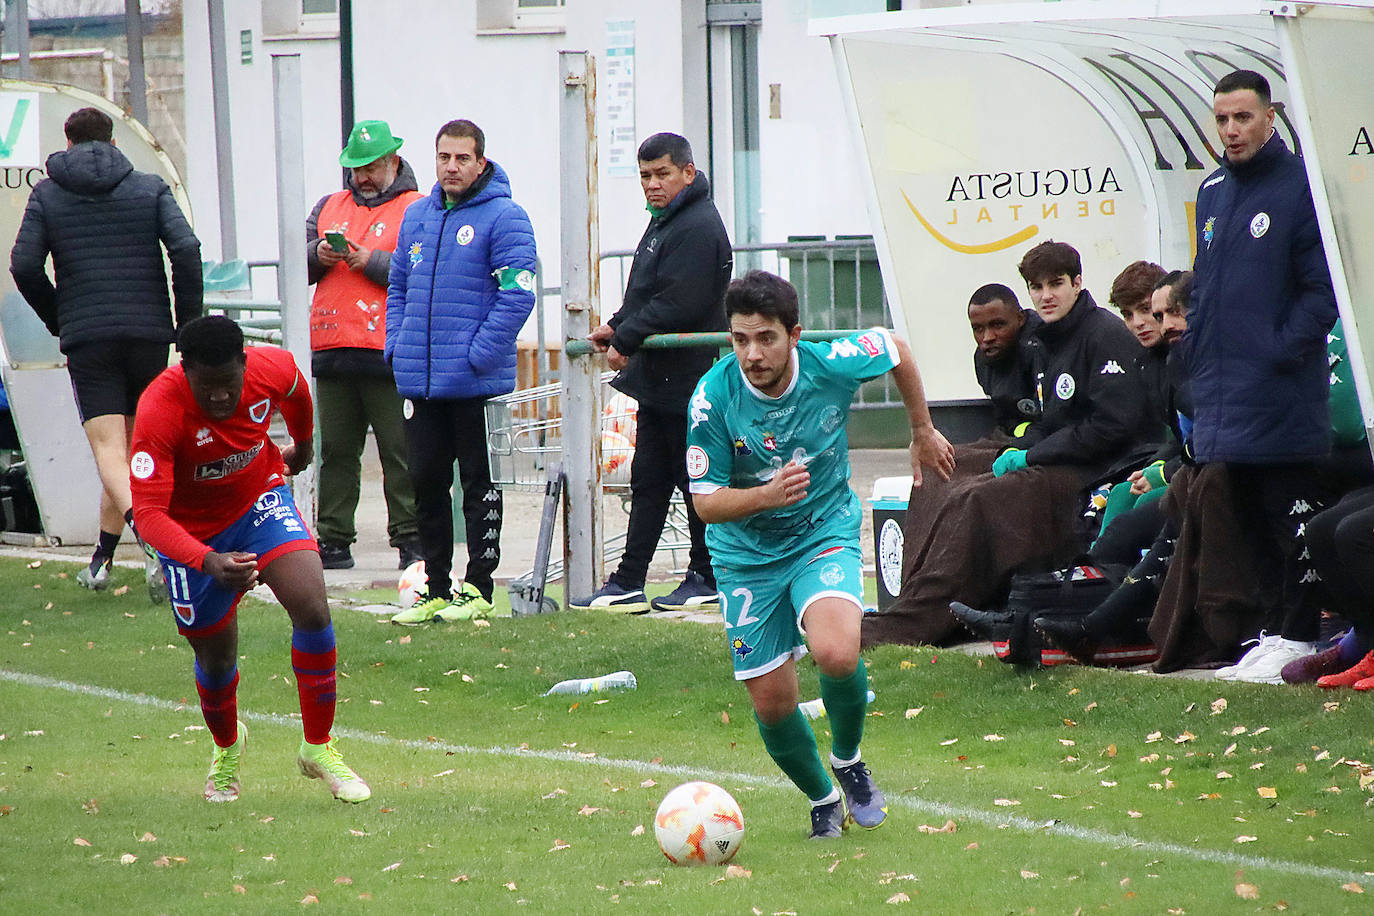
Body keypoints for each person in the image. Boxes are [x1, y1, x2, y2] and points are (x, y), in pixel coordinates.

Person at [685, 270, 954, 837]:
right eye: (739, 340)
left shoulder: (831, 361)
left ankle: (849, 760)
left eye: (766, 338)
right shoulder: (712, 399)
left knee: (836, 652)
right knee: (773, 705)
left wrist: (922, 429)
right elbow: (706, 503)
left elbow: (896, 348)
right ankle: (822, 797)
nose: (752, 354)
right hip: (745, 556)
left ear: (796, 334)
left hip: (821, 531)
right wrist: (764, 495)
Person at [864, 240, 1158, 647]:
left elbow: (1112, 429)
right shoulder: (1046, 339)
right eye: (1037, 287)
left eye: (1056, 284)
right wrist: (1015, 451)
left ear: (1077, 283)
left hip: (1105, 468)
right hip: (1061, 456)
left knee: (981, 498)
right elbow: (1048, 418)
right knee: (944, 471)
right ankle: (913, 602)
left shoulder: (1103, 333)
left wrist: (1031, 455)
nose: (1046, 295)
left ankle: (918, 623)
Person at [129, 316, 370, 804]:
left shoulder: (270, 367)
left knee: (312, 605)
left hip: (258, 501)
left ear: (245, 364)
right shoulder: (159, 408)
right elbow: (149, 516)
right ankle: (226, 748)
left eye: (229, 384)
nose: (220, 397)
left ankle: (318, 748)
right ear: (185, 370)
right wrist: (209, 561)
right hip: (192, 535)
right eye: (207, 386)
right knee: (216, 662)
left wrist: (302, 445)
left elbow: (300, 390)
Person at [1184, 69, 1338, 683]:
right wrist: (1197, 352)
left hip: (1280, 387)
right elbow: (1202, 289)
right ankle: (1274, 631)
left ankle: (1301, 633)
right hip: (1225, 390)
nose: (1230, 130)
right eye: (1221, 119)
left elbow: (1321, 290)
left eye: (1242, 117)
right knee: (1246, 515)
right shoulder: (1214, 190)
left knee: (1289, 514)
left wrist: (1281, 349)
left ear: (1270, 117)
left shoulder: (1301, 186)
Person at [10, 105, 201, 598]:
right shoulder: (150, 186)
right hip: (148, 334)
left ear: (68, 144)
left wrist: (59, 316)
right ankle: (102, 560)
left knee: (109, 451)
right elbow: (185, 249)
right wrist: (189, 325)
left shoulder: (48, 194)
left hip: (90, 337)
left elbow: (24, 266)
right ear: (114, 142)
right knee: (134, 453)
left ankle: (155, 545)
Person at [386, 119, 536, 625]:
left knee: (479, 485)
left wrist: (478, 354)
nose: (452, 167)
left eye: (462, 159)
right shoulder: (418, 217)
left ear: (481, 162)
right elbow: (398, 288)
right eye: (444, 158)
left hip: (475, 382)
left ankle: (479, 587)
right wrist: (396, 345)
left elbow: (518, 293)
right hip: (421, 382)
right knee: (426, 483)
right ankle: (434, 589)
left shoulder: (506, 217)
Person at [574, 132, 732, 614]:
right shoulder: (666, 222)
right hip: (662, 381)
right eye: (645, 176)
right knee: (649, 481)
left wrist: (625, 338)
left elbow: (681, 300)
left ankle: (706, 576)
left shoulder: (699, 225)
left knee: (695, 483)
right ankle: (628, 580)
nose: (653, 184)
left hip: (692, 381)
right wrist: (617, 326)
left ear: (688, 172)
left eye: (662, 174)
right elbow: (648, 296)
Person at [307, 119, 422, 571]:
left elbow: (421, 268)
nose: (362, 178)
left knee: (400, 451)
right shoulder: (328, 206)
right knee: (336, 451)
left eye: (370, 167)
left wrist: (370, 262)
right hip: (334, 349)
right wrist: (317, 254)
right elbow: (297, 258)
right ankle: (333, 540)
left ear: (393, 162)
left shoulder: (417, 208)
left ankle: (411, 539)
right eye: (355, 169)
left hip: (390, 352)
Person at [967, 283, 1040, 438]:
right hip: (1017, 436)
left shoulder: (1044, 348)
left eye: (998, 325)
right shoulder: (982, 359)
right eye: (978, 329)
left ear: (1020, 319)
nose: (987, 338)